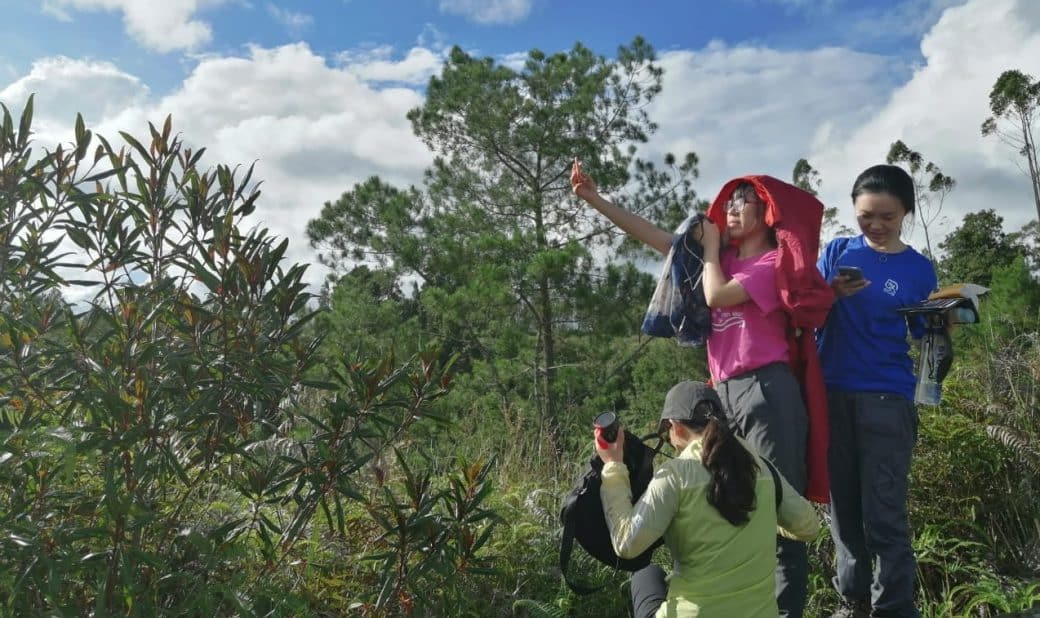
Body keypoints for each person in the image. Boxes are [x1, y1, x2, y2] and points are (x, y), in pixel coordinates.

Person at [572, 159, 813, 616]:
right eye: (731, 202)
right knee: (724, 498)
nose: (733, 209)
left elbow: (717, 295)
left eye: (745, 202)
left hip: (765, 390)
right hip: (725, 394)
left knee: (770, 502)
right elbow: (658, 240)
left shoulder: (769, 262)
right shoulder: (715, 261)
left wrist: (710, 249)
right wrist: (594, 199)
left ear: (769, 213)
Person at [816, 164, 937, 618]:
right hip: (831, 395)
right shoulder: (837, 252)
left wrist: (947, 319)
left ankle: (894, 608)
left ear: (906, 210)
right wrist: (831, 294)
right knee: (843, 512)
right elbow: (804, 312)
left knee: (884, 514)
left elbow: (927, 335)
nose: (876, 225)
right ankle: (854, 603)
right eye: (866, 215)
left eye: (887, 216)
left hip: (888, 398)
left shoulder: (919, 269)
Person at [597, 380, 820, 617]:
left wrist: (613, 466)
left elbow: (626, 542)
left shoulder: (676, 474)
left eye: (666, 430)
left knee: (646, 575)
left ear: (676, 427)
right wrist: (759, 519)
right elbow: (809, 526)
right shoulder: (760, 467)